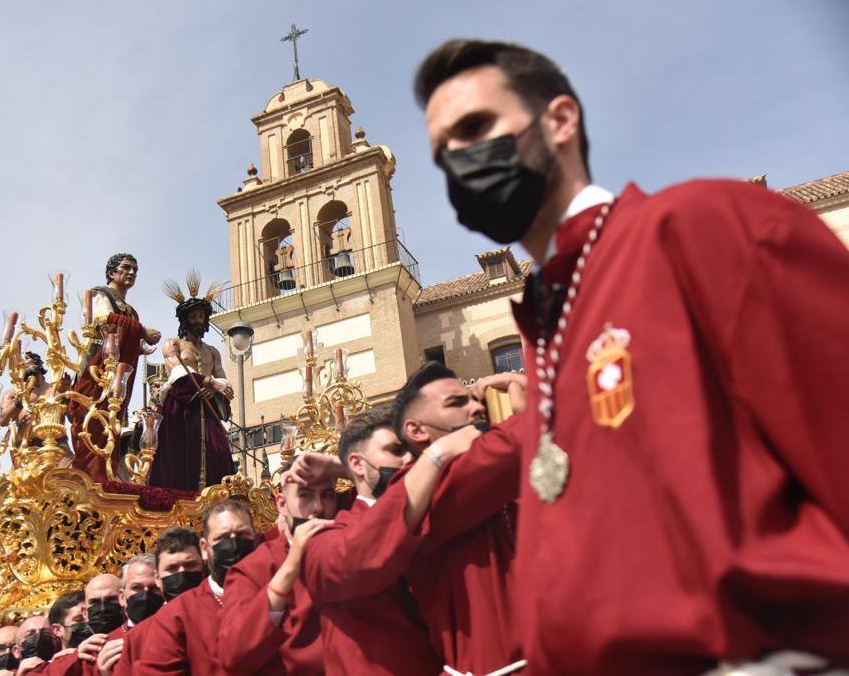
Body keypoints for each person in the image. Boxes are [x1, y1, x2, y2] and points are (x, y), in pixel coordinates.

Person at [416, 39, 849, 674]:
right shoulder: (548, 323)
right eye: (442, 153)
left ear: (561, 120)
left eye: (476, 127)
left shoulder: (702, 224)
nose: (460, 160)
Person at [295, 407, 479, 675]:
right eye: (395, 450)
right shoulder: (327, 538)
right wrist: (435, 456)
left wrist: (342, 466)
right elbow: (355, 560)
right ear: (358, 464)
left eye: (411, 452)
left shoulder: (436, 511)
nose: (408, 460)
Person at [392, 361, 525, 674]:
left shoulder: (494, 474)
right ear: (416, 429)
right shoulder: (426, 485)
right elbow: (513, 444)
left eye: (475, 399)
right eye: (457, 403)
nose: (477, 408)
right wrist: (519, 387)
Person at [217, 458, 336, 674]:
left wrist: (340, 466)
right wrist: (291, 567)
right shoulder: (252, 569)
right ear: (281, 504)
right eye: (305, 495)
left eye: (327, 495)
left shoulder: (350, 544)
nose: (318, 508)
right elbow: (234, 654)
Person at [117, 499, 258, 674]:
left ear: (256, 539)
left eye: (242, 535)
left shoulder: (281, 590)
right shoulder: (175, 616)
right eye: (221, 538)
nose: (234, 545)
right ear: (205, 549)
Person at [68, 253, 161, 482]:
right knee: (93, 423)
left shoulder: (131, 311)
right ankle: (90, 478)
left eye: (135, 270)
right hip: (96, 372)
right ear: (112, 273)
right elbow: (102, 320)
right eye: (126, 268)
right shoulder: (101, 294)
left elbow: (123, 341)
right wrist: (140, 331)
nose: (131, 273)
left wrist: (138, 346)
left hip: (117, 379)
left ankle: (107, 475)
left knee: (112, 424)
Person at [151, 272, 235, 491]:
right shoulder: (173, 345)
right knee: (180, 457)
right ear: (184, 319)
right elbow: (178, 373)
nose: (198, 321)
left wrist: (215, 390)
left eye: (201, 316)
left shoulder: (213, 352)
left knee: (219, 454)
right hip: (182, 408)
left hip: (208, 410)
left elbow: (224, 383)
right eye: (193, 317)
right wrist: (210, 382)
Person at [113, 527, 205, 674]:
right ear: (158, 578)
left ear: (204, 567)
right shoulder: (137, 637)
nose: (181, 574)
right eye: (172, 568)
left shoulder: (227, 615)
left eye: (190, 565)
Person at [0, 352, 71, 450]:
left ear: (39, 364)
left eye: (28, 361)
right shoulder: (13, 394)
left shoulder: (57, 390)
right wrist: (21, 400)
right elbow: (3, 420)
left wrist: (69, 397)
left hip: (57, 448)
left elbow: (73, 418)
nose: (25, 364)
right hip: (27, 449)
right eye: (22, 364)